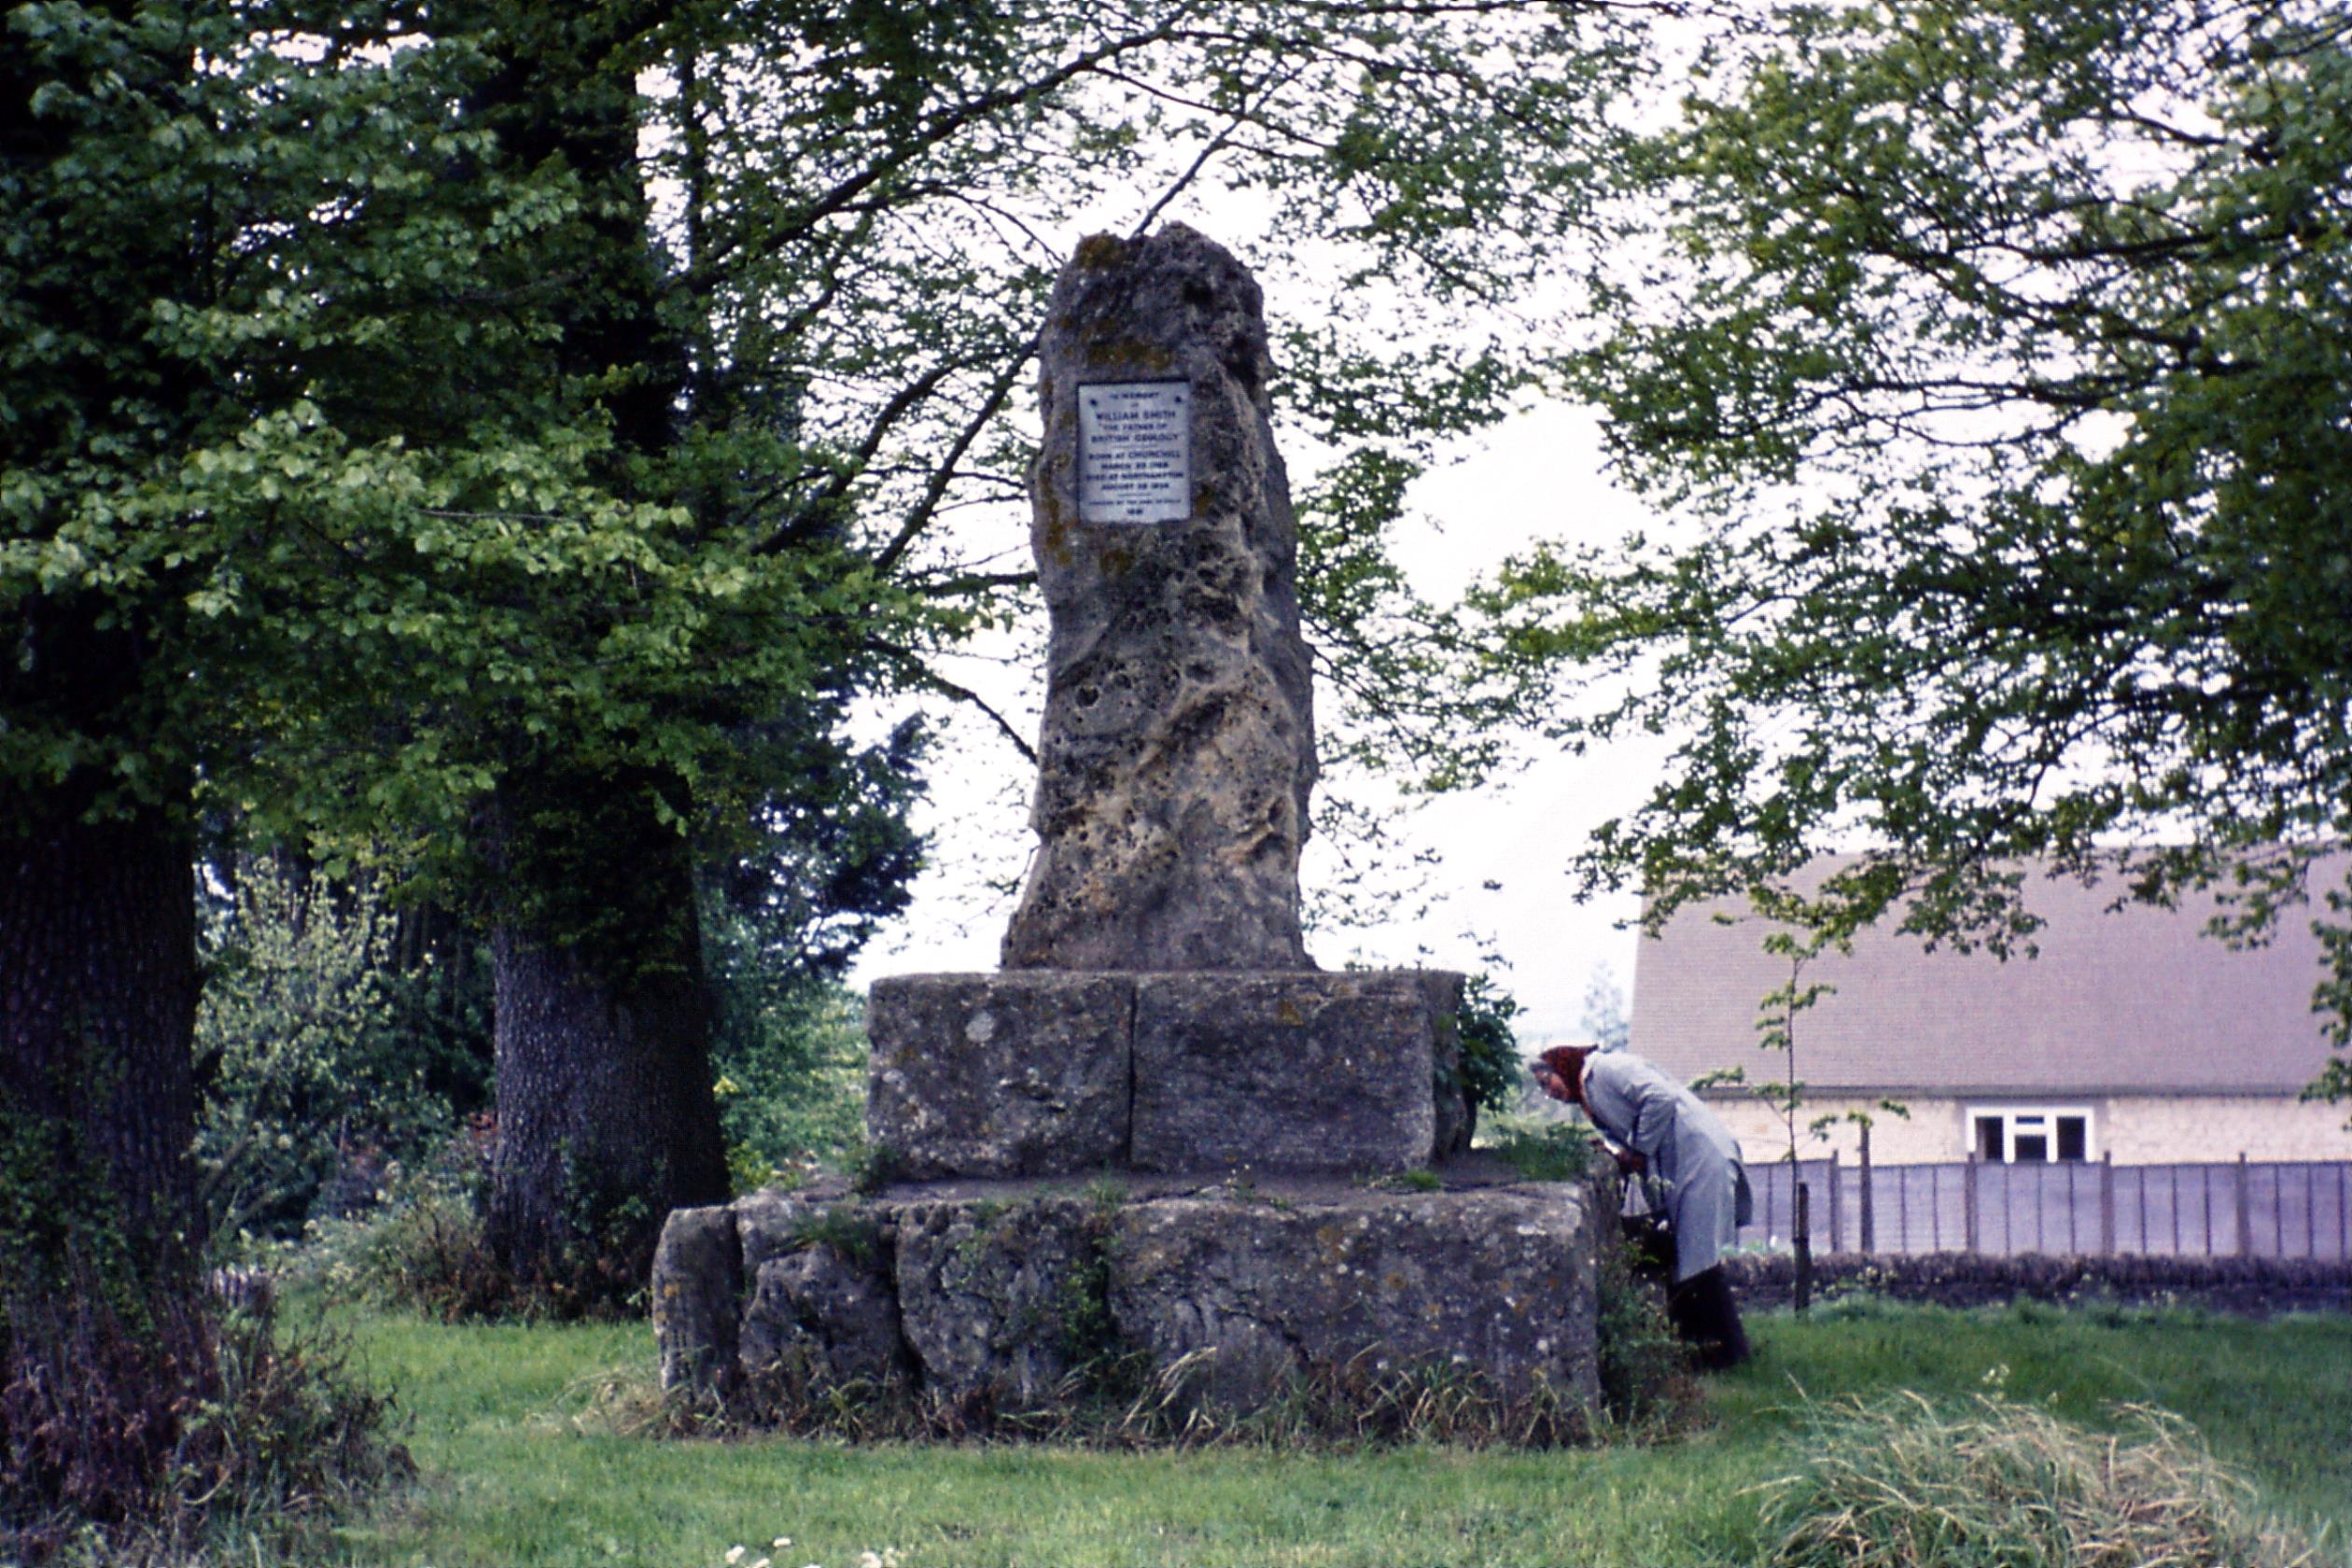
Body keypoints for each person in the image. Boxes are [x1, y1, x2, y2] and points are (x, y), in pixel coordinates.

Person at [1533, 1043, 1754, 1369]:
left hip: (1698, 1158)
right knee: (1690, 1261)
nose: (1548, 1092)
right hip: (1686, 1163)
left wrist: (1637, 1149)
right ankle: (1707, 1354)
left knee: (1697, 1264)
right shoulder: (1590, 1091)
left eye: (1546, 1081)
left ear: (1562, 1065)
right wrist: (1622, 1150)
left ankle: (1724, 1356)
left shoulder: (1605, 1069)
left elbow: (1660, 1098)